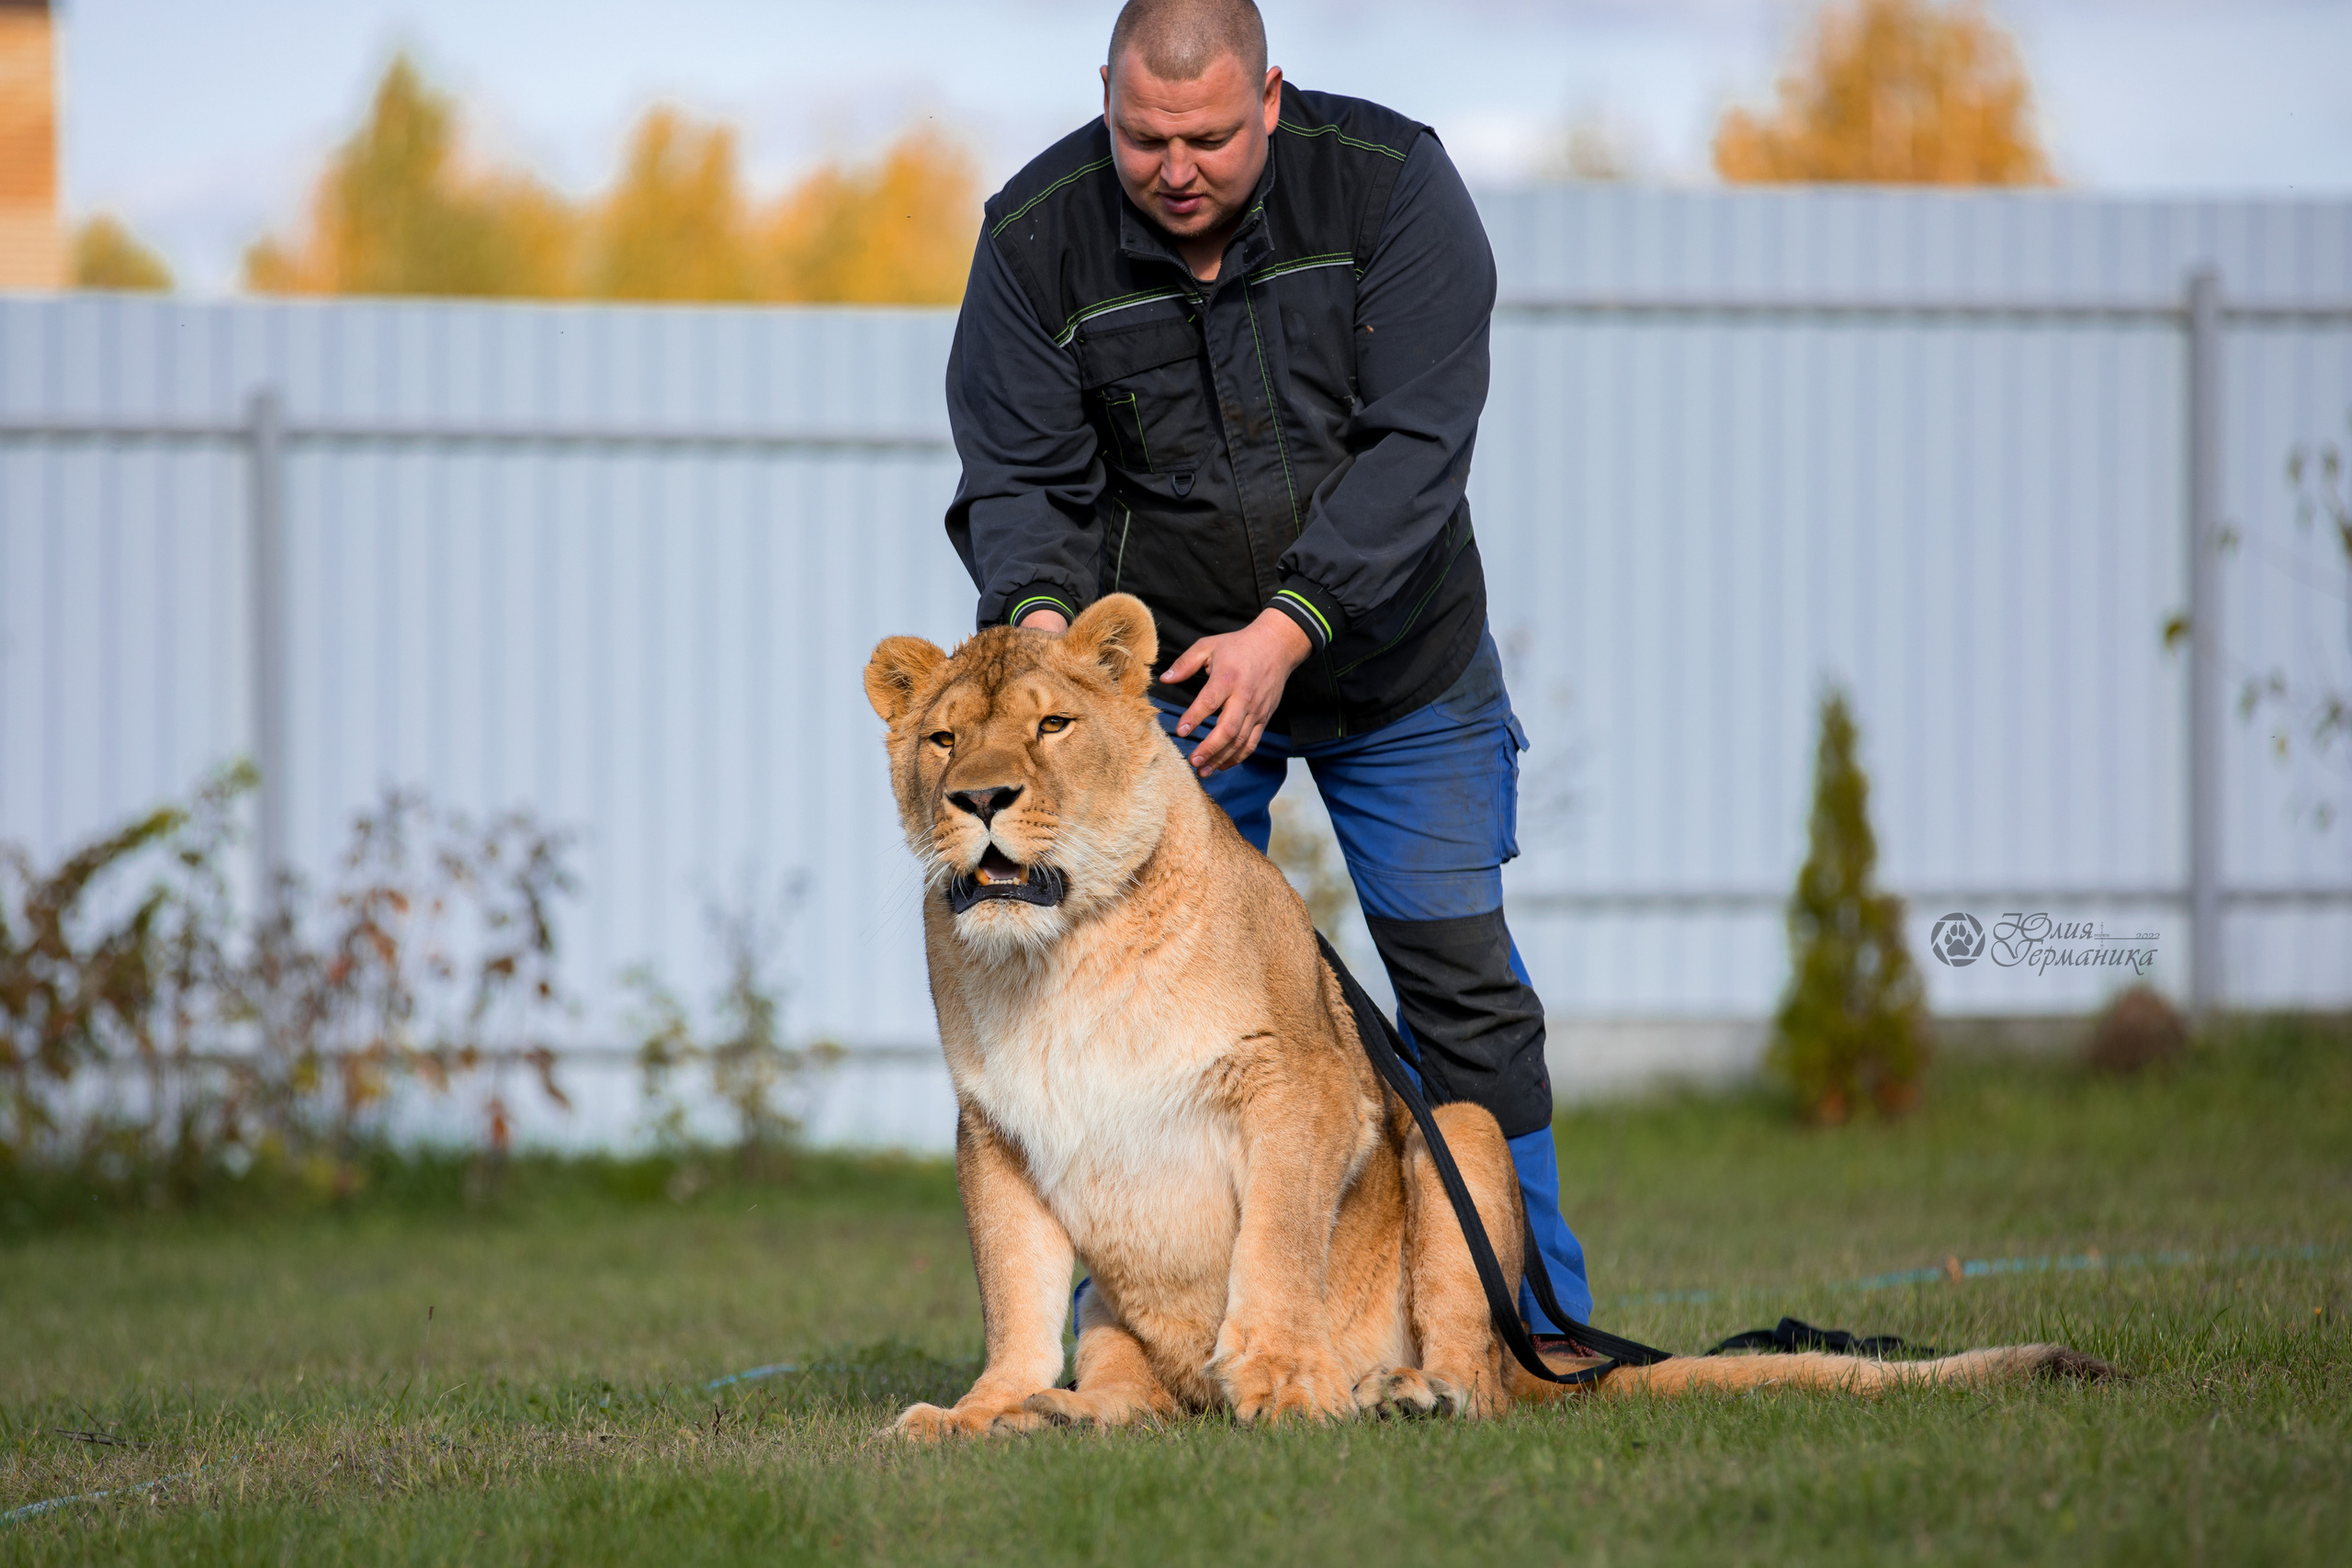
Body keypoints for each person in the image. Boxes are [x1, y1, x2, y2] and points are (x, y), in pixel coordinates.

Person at [943, 0, 1596, 1342]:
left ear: (1273, 99)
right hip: (1167, 698)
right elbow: (1019, 482)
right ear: (1105, 101)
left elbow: (1419, 445)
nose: (1176, 167)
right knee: (1104, 988)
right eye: (1143, 138)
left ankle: (1537, 1323)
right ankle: (1122, 1348)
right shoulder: (1031, 237)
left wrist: (1292, 624)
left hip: (1395, 659)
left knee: (1460, 988)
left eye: (1210, 139)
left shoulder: (1396, 189)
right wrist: (1052, 638)